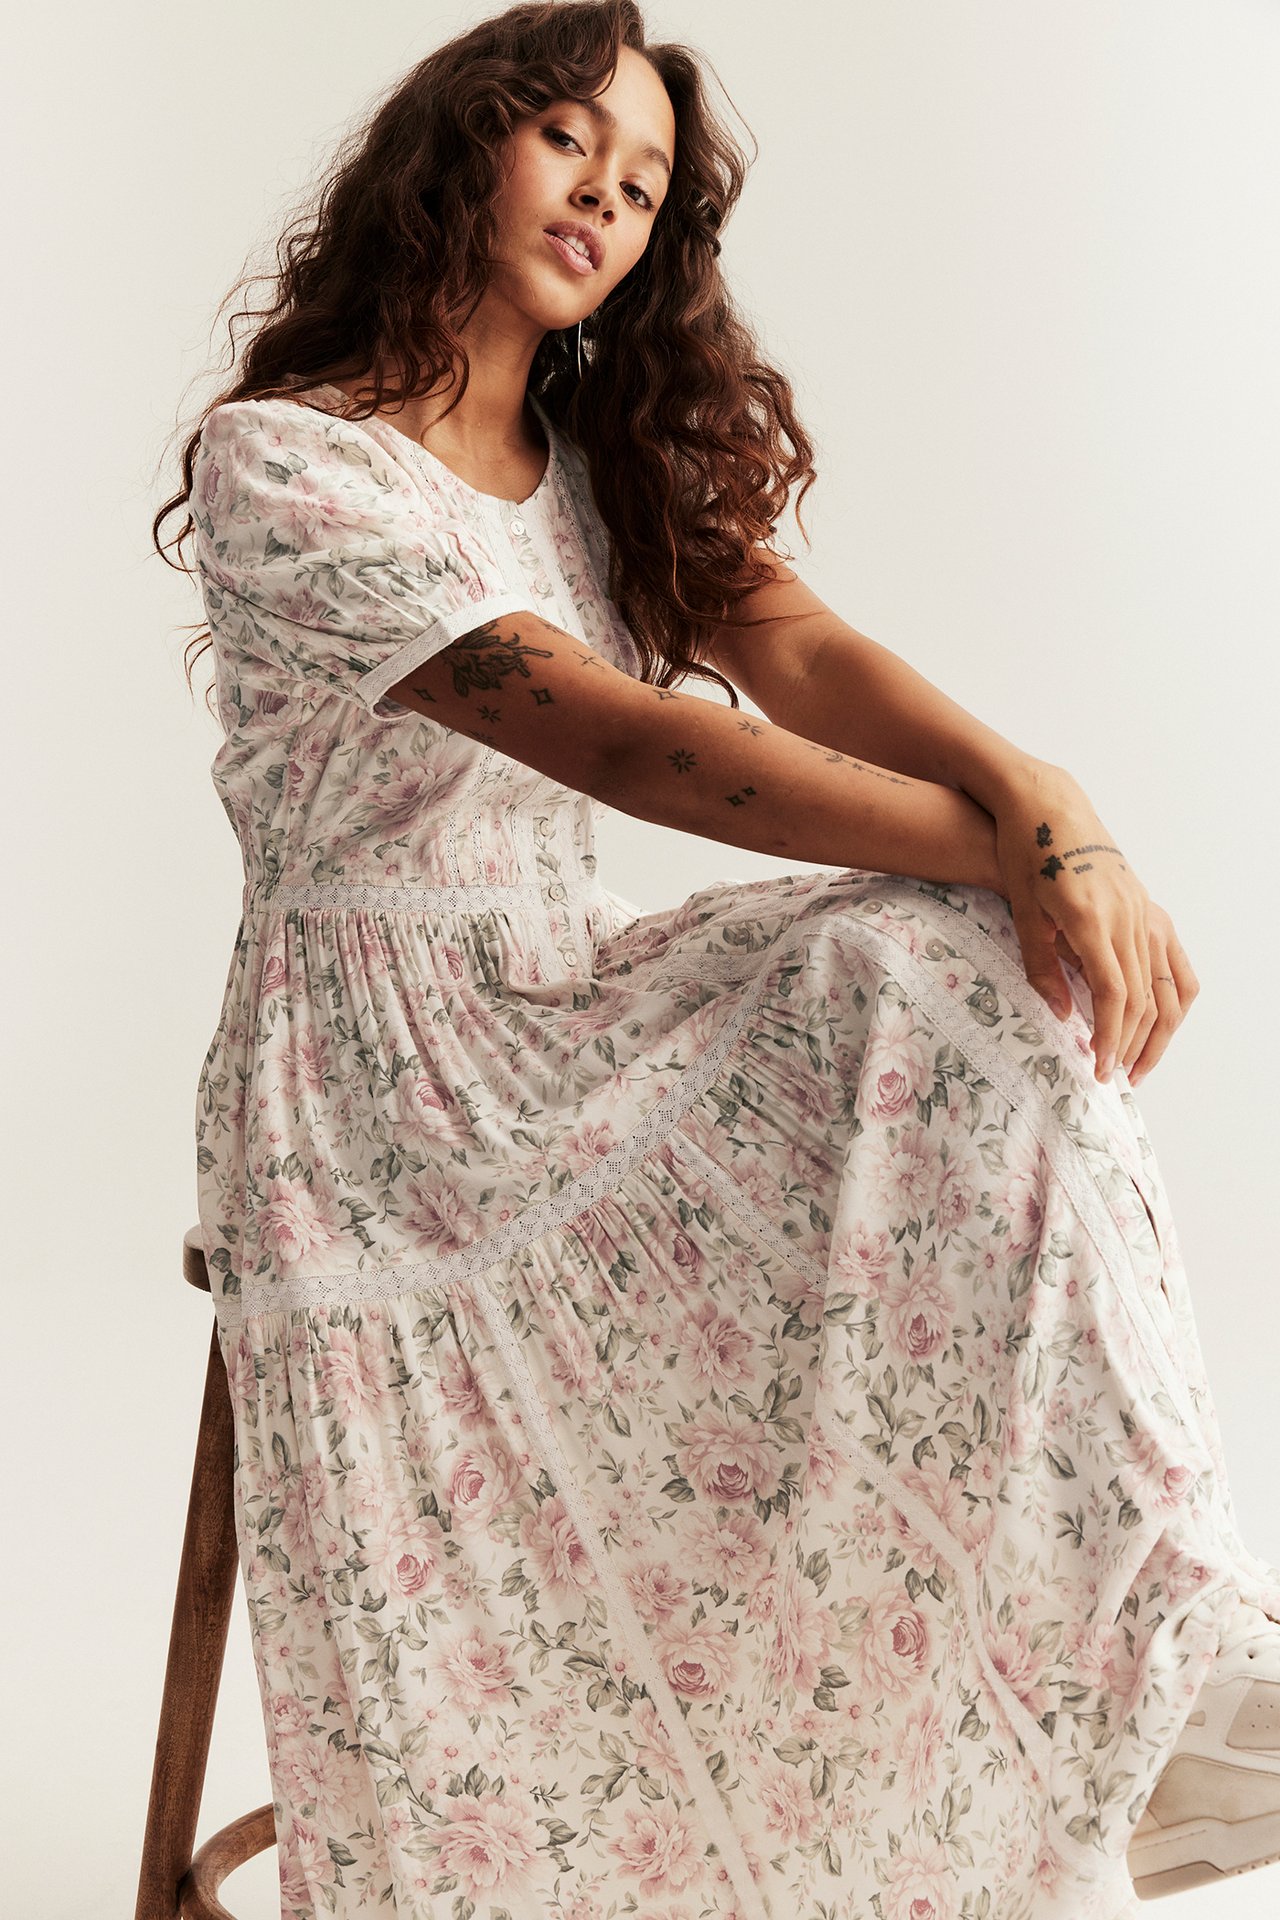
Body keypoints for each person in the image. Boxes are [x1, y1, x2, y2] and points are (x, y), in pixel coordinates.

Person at [156, 3, 1280, 1914]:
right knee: (958, 921)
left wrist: (1042, 797)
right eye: (569, 141)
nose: (605, 192)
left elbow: (803, 656)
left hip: (560, 1014)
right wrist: (1026, 852)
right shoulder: (290, 462)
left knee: (947, 975)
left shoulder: (592, 452)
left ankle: (1141, 1628)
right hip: (386, 1093)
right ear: (464, 145)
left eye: (647, 179)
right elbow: (627, 741)